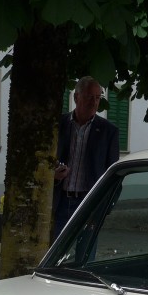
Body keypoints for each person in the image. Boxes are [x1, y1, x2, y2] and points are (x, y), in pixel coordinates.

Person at [54, 76, 120, 235]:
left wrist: (105, 208)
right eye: (89, 97)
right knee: (57, 256)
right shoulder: (58, 124)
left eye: (98, 98)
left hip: (89, 205)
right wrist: (53, 175)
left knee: (85, 256)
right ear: (76, 97)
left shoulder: (108, 131)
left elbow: (114, 174)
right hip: (61, 201)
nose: (94, 102)